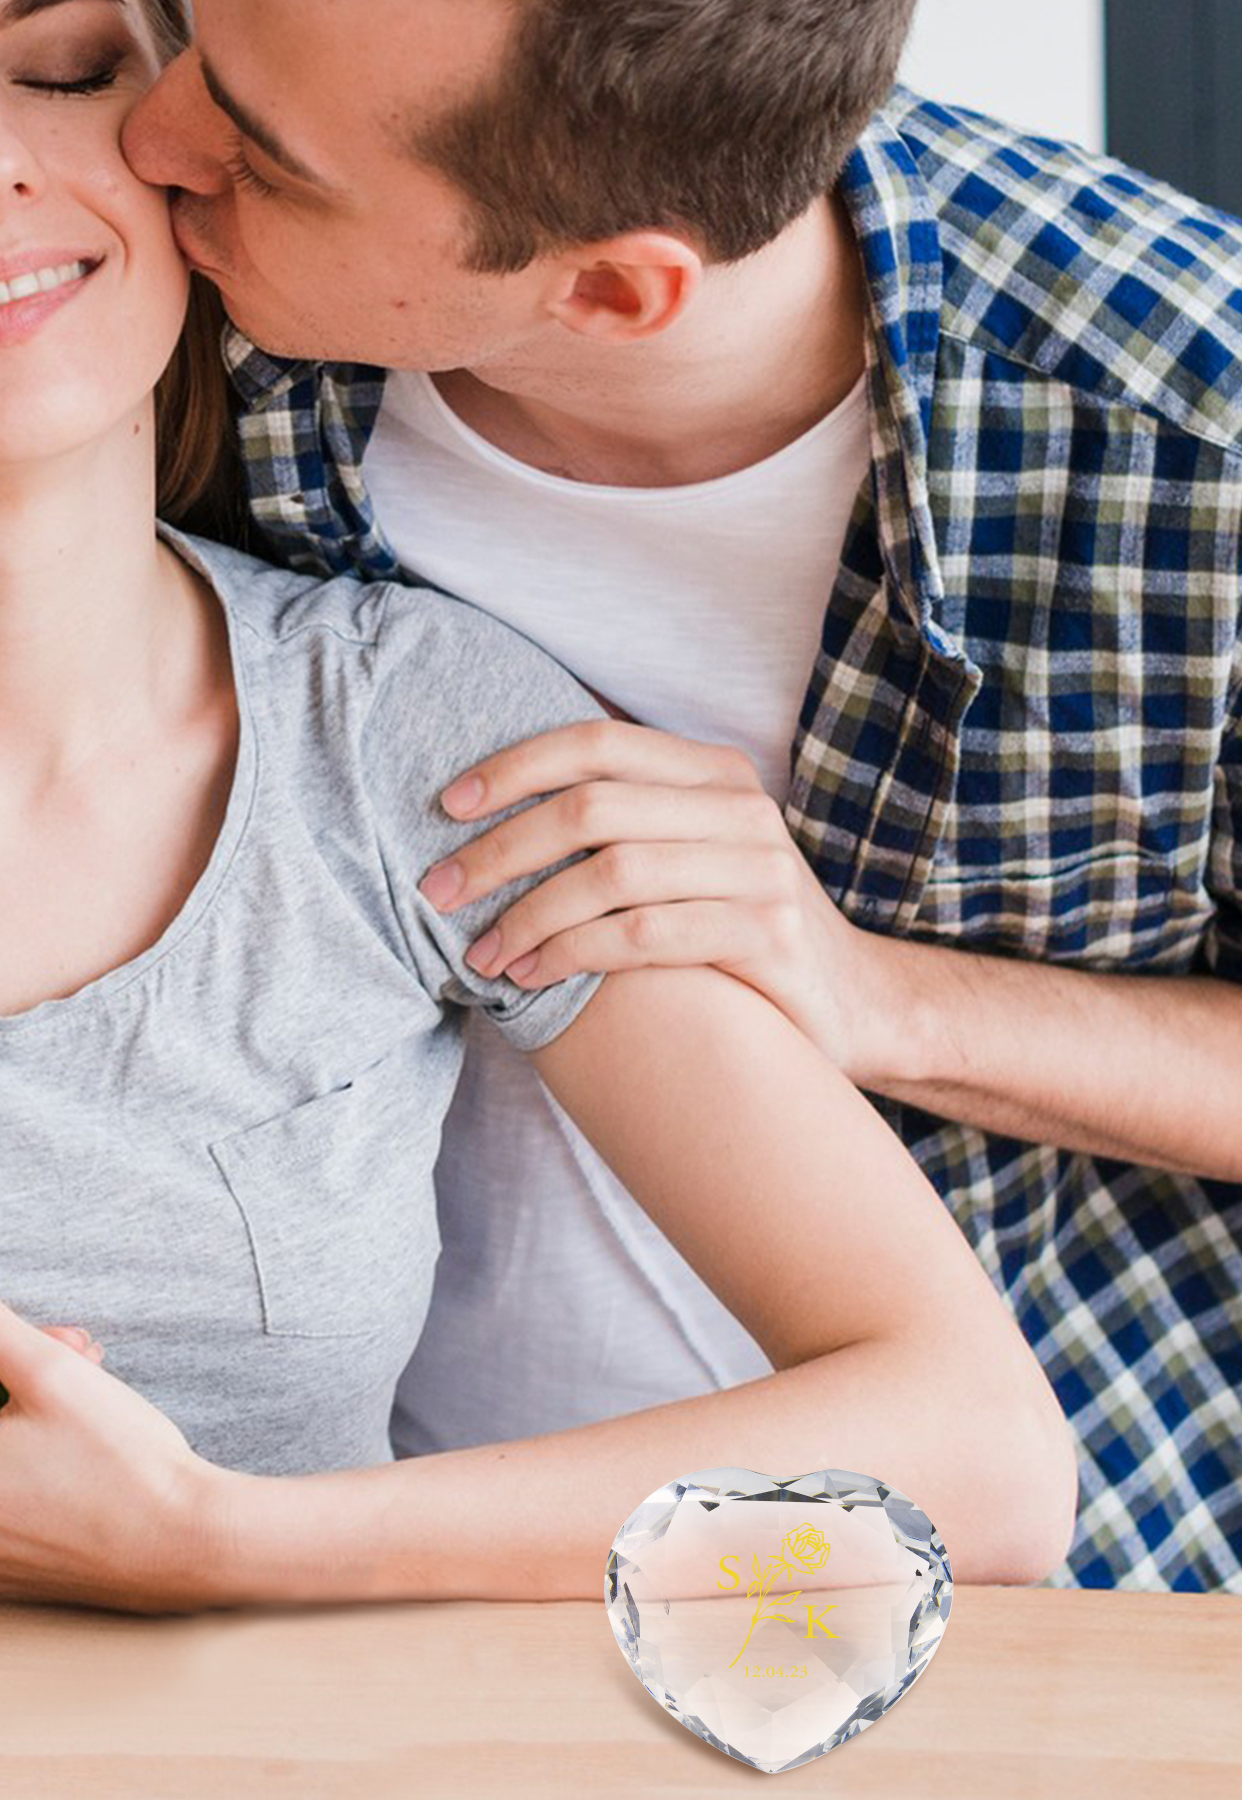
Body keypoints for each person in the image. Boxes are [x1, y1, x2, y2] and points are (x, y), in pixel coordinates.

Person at [0, 0, 1075, 1609]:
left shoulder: (407, 733)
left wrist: (224, 1541)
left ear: (190, 159)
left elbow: (980, 1454)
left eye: (69, 71)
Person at [119, 0, 1242, 1594]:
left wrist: (877, 998)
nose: (151, 138)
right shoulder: (153, 300)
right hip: (324, 1566)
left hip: (997, 1596)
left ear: (611, 290)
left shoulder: (1192, 433)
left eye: (268, 158)